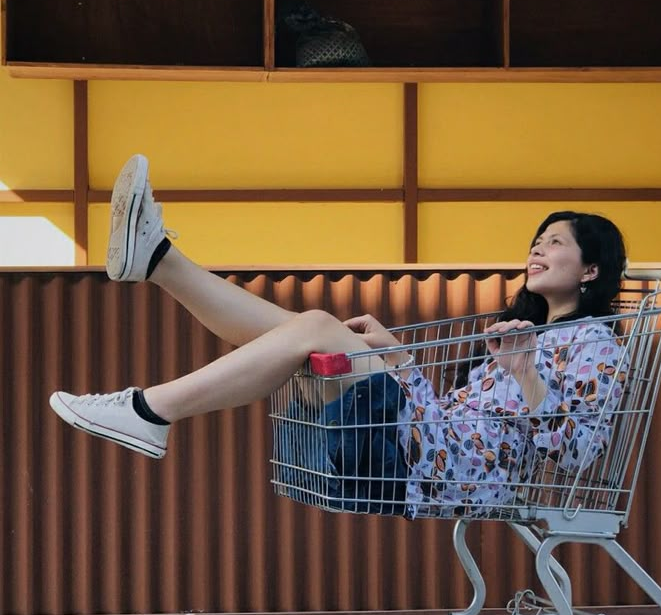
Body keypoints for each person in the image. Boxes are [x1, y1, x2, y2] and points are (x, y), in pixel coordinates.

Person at [49, 155, 629, 519]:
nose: (538, 248)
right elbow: (453, 409)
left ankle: (151, 403)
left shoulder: (598, 349)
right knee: (312, 335)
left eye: (555, 242)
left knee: (318, 329)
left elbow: (576, 454)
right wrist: (397, 353)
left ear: (591, 270)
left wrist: (525, 371)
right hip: (432, 445)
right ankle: (159, 264)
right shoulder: (518, 331)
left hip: (450, 470)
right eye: (537, 239)